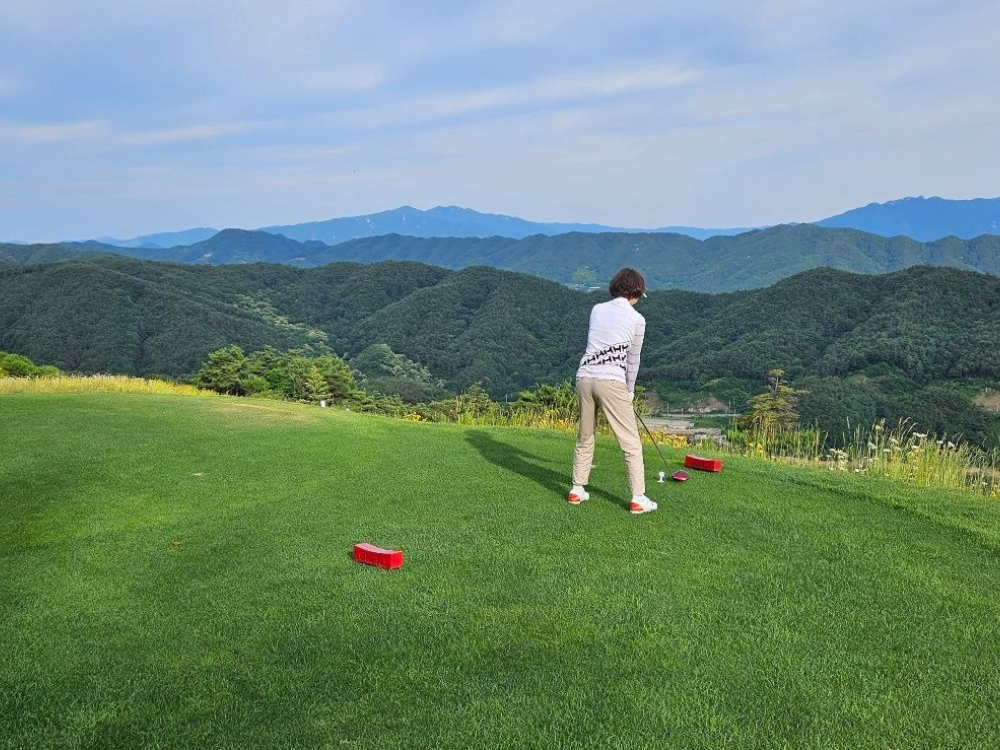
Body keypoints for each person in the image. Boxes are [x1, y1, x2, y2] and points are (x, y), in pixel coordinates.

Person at [568, 267, 657, 514]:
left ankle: (577, 489)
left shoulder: (597, 310)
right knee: (630, 441)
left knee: (585, 435)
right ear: (636, 292)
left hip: (584, 377)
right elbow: (632, 360)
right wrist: (629, 390)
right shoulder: (638, 320)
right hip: (612, 381)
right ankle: (638, 497)